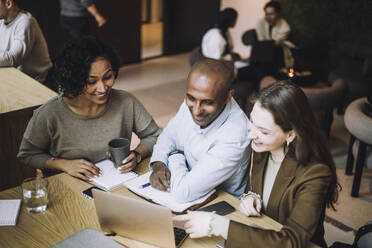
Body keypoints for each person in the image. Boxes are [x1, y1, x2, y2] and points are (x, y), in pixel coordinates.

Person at [174, 81, 340, 248]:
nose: (251, 134)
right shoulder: (263, 149)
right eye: (252, 121)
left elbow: (292, 241)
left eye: (264, 131)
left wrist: (218, 225)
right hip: (261, 233)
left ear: (290, 135)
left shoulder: (316, 173)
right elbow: (259, 190)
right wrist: (251, 197)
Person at [17, 36, 161, 181]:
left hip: (115, 183)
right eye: (91, 81)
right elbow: (28, 154)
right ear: (74, 80)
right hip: (68, 187)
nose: (102, 88)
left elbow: (155, 135)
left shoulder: (126, 102)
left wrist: (137, 154)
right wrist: (63, 164)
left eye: (107, 77)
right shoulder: (49, 114)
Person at [149, 59, 251, 203]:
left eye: (208, 102)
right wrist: (159, 164)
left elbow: (183, 193)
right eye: (191, 98)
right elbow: (168, 136)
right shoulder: (196, 99)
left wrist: (175, 155)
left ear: (228, 96)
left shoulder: (236, 134)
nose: (196, 111)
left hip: (219, 206)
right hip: (181, 186)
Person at [0, 0, 52, 82]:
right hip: (17, 76)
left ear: (8, 4)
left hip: (39, 81)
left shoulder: (26, 21)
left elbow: (13, 58)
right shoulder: (2, 22)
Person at [256, 1, 295, 68]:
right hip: (263, 56)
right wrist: (283, 42)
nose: (268, 17)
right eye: (266, 14)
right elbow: (262, 42)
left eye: (271, 14)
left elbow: (273, 44)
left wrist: (280, 42)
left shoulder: (285, 27)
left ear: (278, 14)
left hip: (278, 57)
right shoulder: (260, 23)